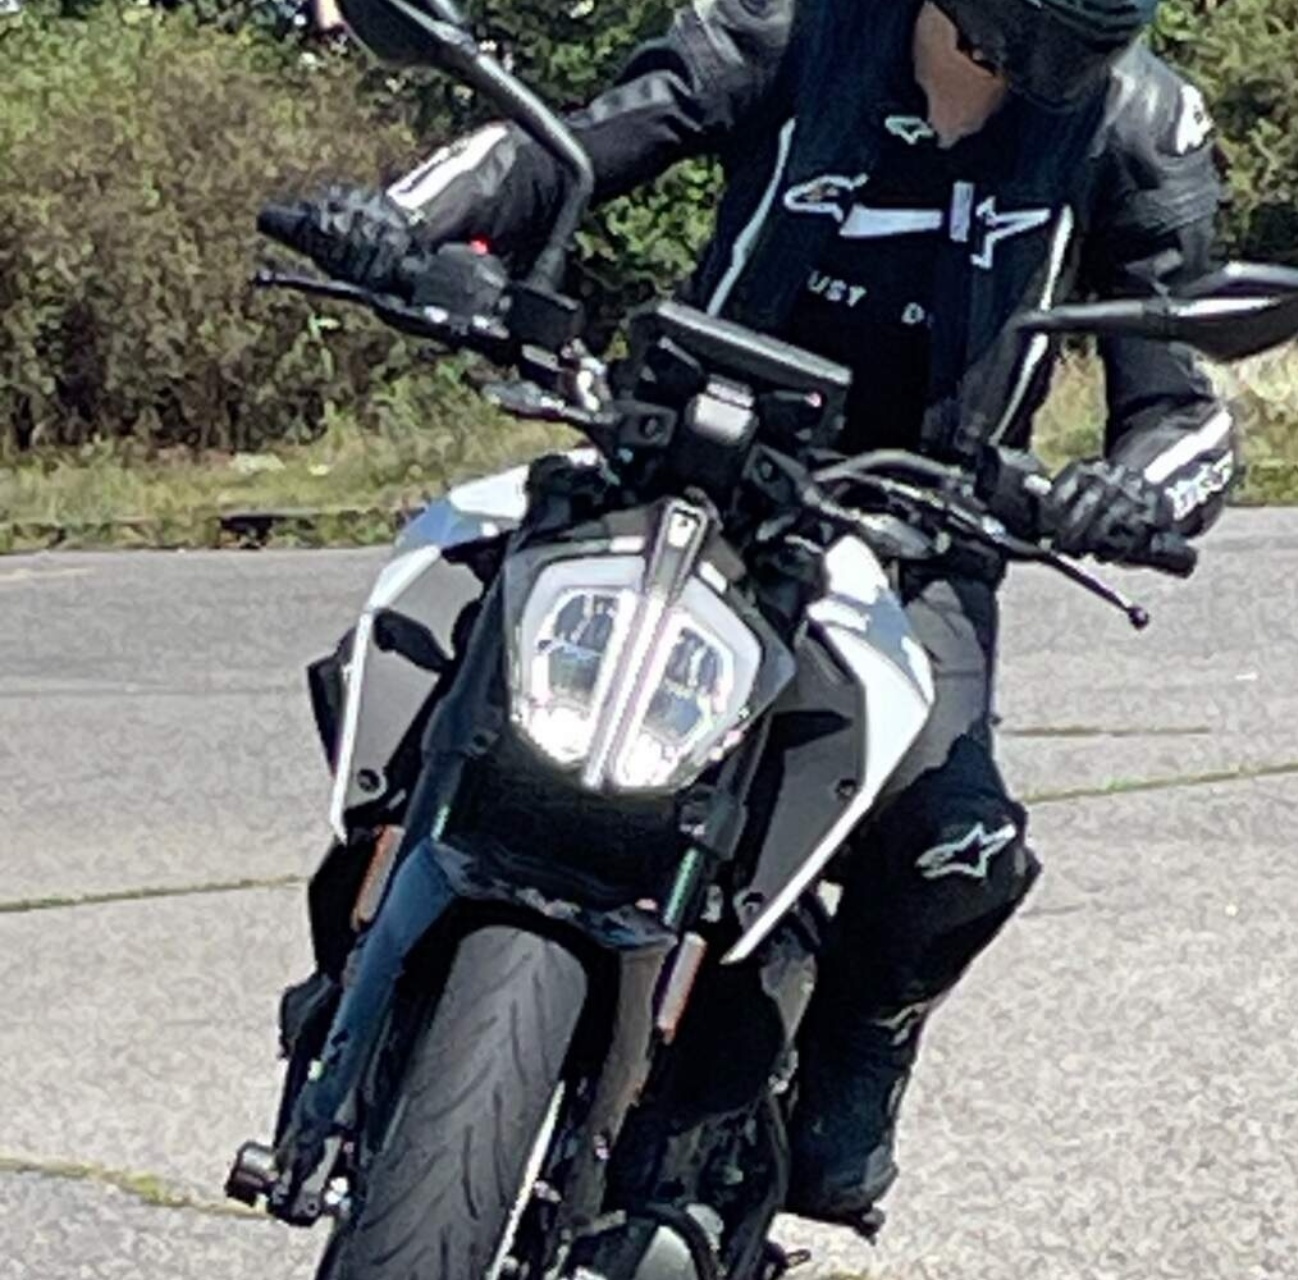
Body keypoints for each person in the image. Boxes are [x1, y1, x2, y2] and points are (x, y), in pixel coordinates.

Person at [262, 0, 1238, 1227]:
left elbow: (1183, 394)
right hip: (673, 452)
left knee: (954, 846)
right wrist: (402, 222)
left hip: (918, 533)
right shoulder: (794, 24)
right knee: (417, 633)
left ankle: (855, 1061)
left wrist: (1134, 490)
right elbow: (568, 143)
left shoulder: (1141, 122)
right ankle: (360, 958)